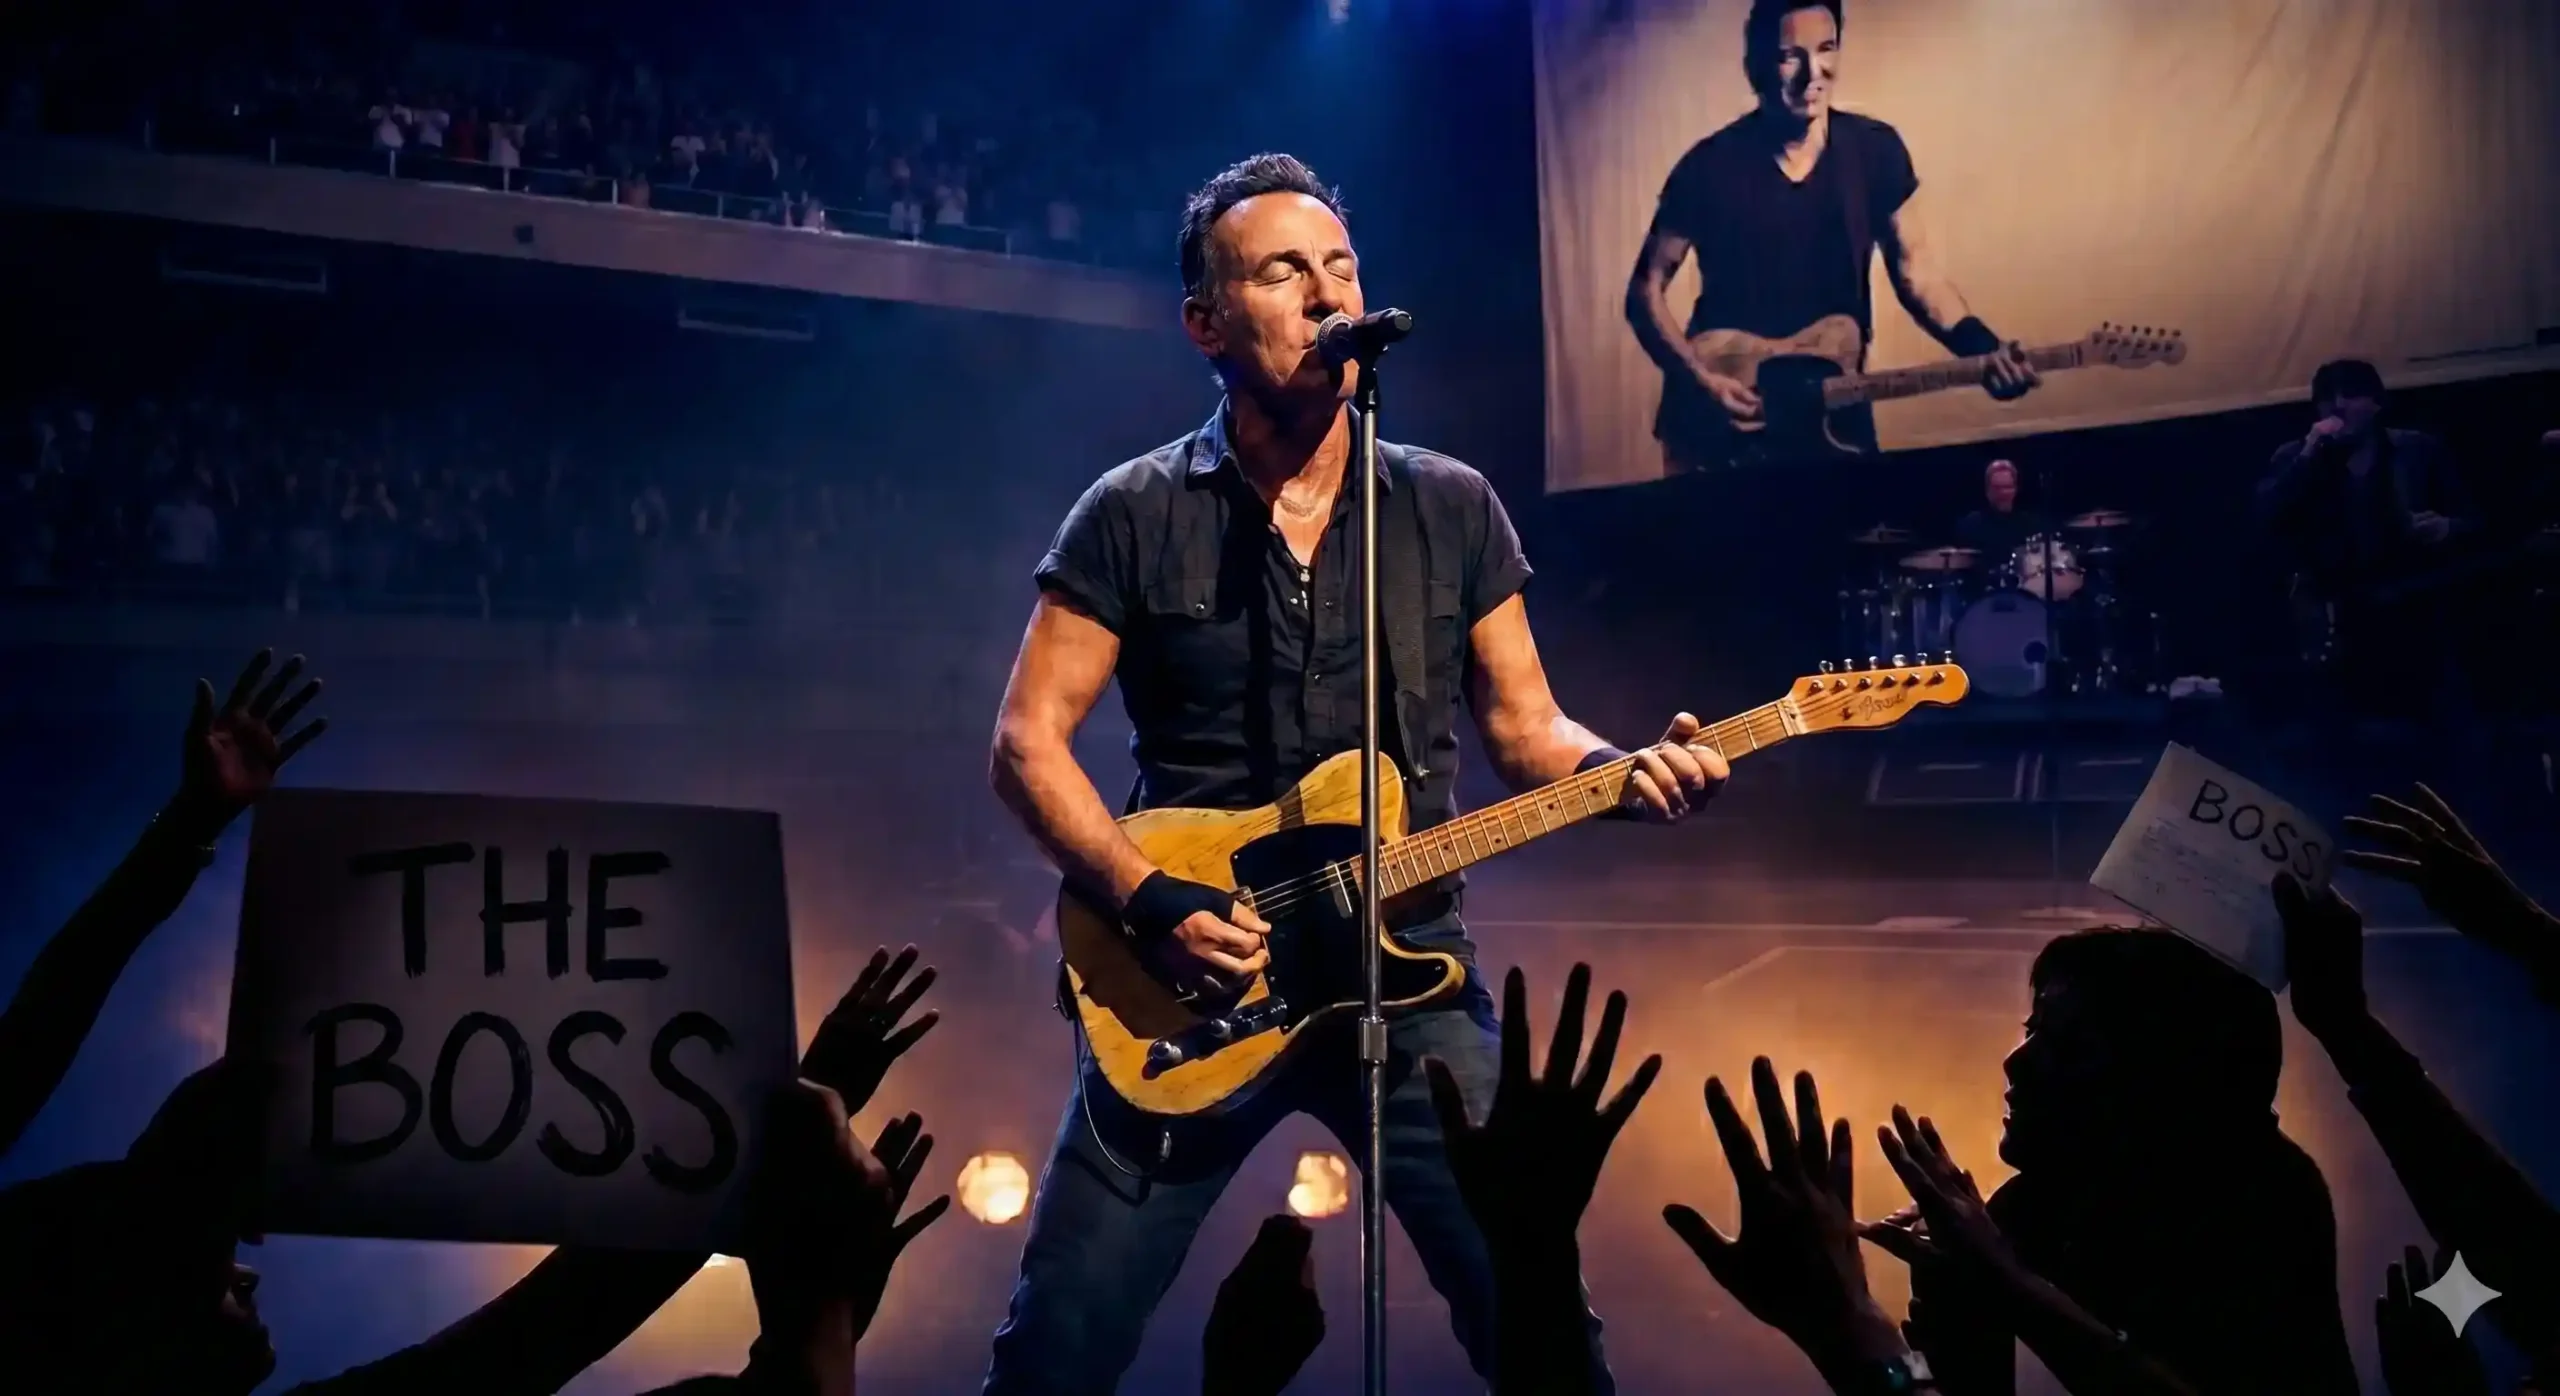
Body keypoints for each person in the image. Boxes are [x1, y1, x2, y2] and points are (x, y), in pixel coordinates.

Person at [982, 152, 1727, 1393]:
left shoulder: (1449, 504)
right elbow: (1024, 743)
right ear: (1206, 323)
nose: (1326, 292)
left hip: (1407, 966)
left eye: (1340, 266)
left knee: (1537, 1323)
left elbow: (1527, 729)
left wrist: (1623, 765)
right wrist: (1148, 900)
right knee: (1057, 1345)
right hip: (1193, 978)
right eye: (1284, 271)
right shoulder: (1132, 510)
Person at [1871, 927, 2360, 1394]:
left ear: (2162, 1085)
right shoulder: (2034, 1208)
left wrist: (1853, 1313)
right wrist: (1927, 1348)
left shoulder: (2261, 1202)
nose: (2016, 1061)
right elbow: (1930, 1382)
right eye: (2032, 1029)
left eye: (2068, 1046)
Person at [1625, 0, 2037, 472]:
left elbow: (1918, 276)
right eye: (1790, 56)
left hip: (1833, 414)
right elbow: (1644, 291)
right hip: (1724, 426)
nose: (1812, 73)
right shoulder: (1708, 166)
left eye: (1826, 49)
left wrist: (1983, 350)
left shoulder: (1875, 151)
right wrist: (1699, 379)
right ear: (1754, 66)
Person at [2256, 358, 2475, 723]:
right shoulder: (2296, 457)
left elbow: (2474, 520)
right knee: (2345, 724)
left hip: (2414, 604)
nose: (2339, 405)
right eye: (2328, 397)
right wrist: (2308, 455)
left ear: (2376, 402)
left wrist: (2446, 527)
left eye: (2352, 394)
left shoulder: (2417, 450)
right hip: (2336, 611)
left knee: (2427, 717)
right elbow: (2265, 516)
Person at [1952, 459, 2049, 564]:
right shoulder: (1970, 526)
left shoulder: (2031, 525)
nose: (2003, 493)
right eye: (1997, 488)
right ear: (1987, 491)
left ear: (2015, 489)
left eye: (2007, 487)